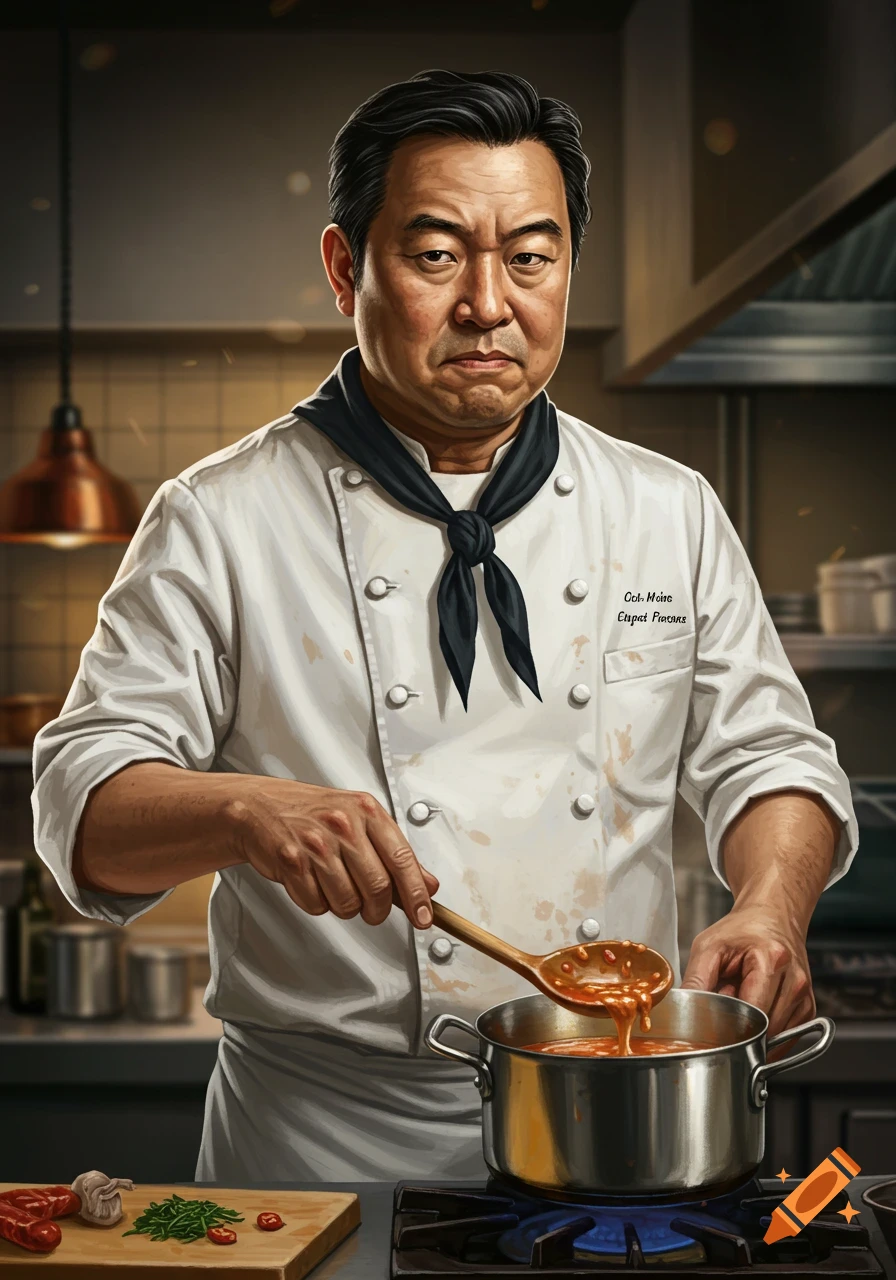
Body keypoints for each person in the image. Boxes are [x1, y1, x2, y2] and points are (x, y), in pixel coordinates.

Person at [33, 70, 856, 1183]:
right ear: (345, 268)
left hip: (612, 1118)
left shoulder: (665, 509)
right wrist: (244, 809)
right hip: (320, 1139)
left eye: (531, 256)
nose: (487, 304)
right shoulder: (219, 516)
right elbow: (82, 810)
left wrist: (769, 906)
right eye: (435, 254)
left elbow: (770, 759)